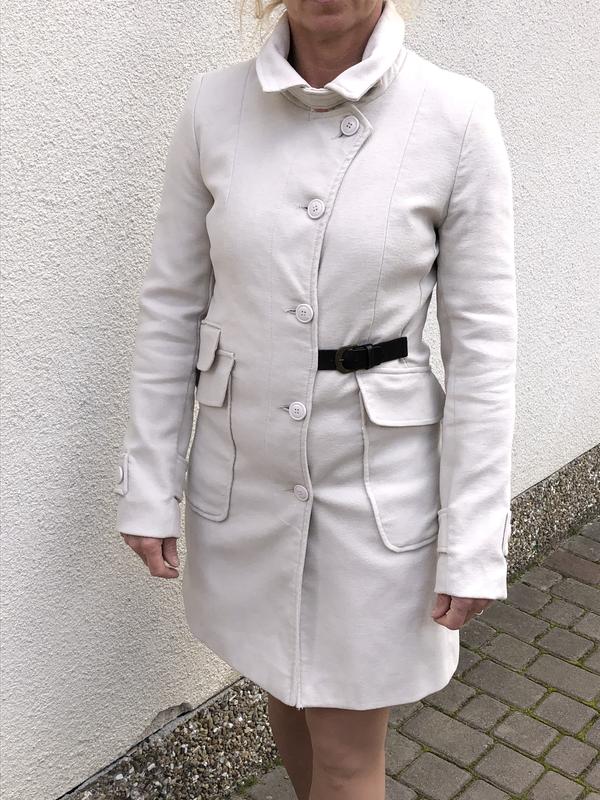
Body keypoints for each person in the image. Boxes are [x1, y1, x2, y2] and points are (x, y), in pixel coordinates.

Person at [115, 0, 517, 797]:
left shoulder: (456, 115)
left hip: (374, 491)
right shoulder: (213, 108)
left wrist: (474, 534)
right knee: (287, 693)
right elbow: (172, 309)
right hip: (246, 479)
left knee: (344, 754)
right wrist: (149, 482)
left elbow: (484, 349)